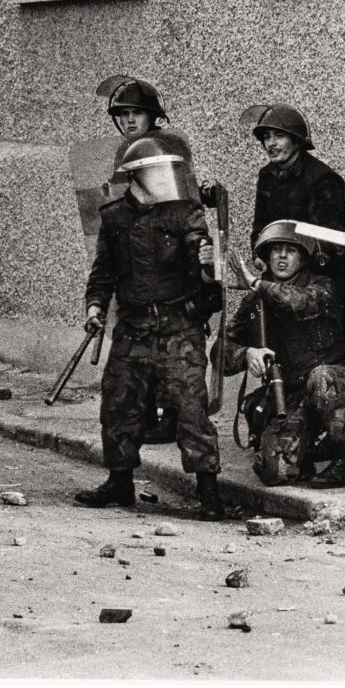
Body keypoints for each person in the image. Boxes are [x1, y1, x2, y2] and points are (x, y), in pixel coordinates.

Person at [73, 131, 226, 521]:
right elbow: (102, 273)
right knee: (118, 403)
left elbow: (206, 276)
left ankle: (209, 491)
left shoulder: (184, 214)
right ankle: (119, 482)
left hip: (178, 327)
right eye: (159, 171)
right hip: (132, 327)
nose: (166, 178)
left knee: (192, 409)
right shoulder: (114, 218)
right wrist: (94, 308)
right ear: (139, 176)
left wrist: (208, 265)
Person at [222, 220, 345, 487]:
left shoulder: (321, 286)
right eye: (275, 250)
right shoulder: (254, 302)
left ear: (303, 258)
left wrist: (257, 284)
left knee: (322, 376)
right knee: (274, 470)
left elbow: (298, 303)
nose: (281, 256)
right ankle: (308, 451)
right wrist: (247, 353)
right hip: (290, 395)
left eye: (289, 250)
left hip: (332, 386)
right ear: (267, 257)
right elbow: (221, 351)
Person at [240, 103, 345, 344]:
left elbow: (332, 242)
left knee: (332, 355)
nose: (271, 144)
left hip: (336, 278)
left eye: (279, 136)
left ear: (296, 141)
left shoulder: (322, 179)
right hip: (292, 278)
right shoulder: (266, 176)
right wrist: (260, 254)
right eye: (266, 137)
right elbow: (261, 227)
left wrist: (294, 272)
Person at [94, 74, 181, 445]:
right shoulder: (123, 152)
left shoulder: (169, 148)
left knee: (172, 344)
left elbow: (178, 207)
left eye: (137, 113)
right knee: (133, 342)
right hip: (130, 258)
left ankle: (174, 415)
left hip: (167, 260)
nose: (130, 121)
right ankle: (142, 412)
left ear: (153, 116)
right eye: (124, 114)